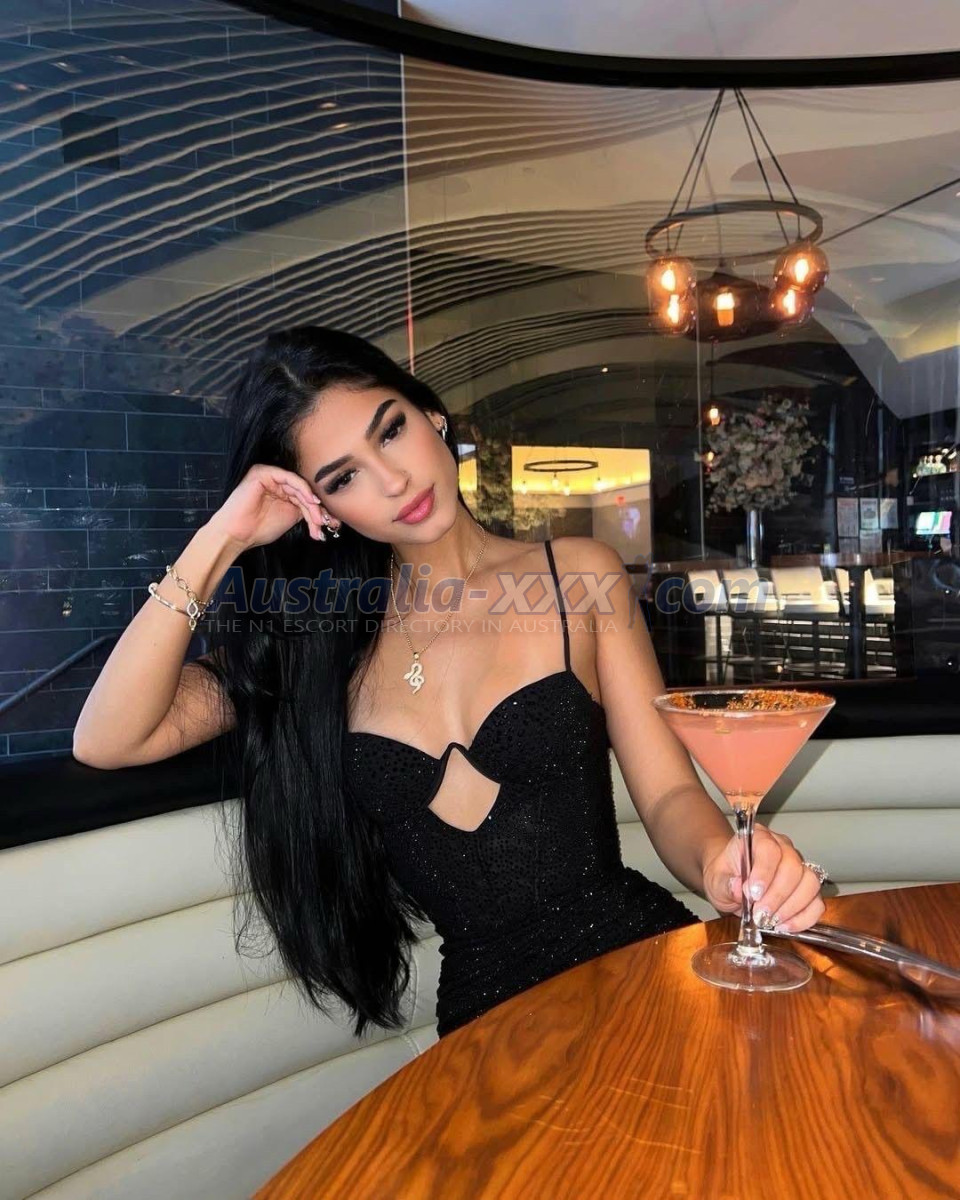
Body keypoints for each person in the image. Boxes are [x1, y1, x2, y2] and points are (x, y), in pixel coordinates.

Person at [73, 325, 827, 1041]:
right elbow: (110, 738)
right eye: (344, 477)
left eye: (390, 431)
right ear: (318, 506)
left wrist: (723, 864)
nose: (394, 480)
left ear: (431, 415)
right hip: (485, 1026)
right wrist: (222, 538)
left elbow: (668, 797)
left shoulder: (577, 577)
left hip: (638, 966)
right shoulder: (313, 649)